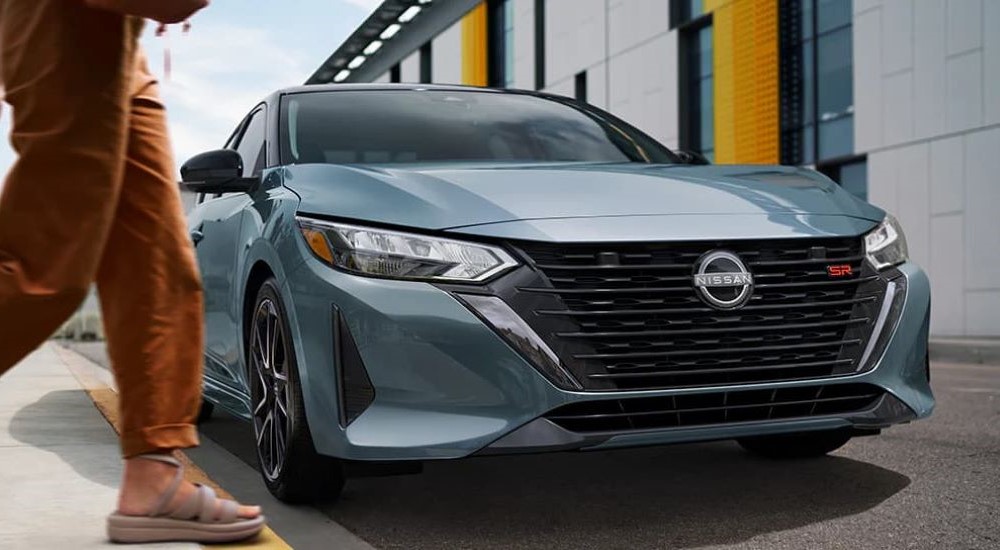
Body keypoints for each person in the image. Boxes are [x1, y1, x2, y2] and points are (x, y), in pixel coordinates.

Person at [0, 0, 265, 543]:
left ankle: (154, 480)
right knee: (44, 265)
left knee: (157, 267)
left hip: (118, 37)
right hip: (65, 19)